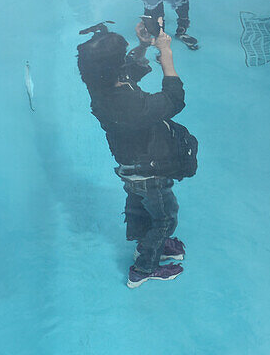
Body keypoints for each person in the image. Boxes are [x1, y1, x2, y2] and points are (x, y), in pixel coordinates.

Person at [76, 20, 194, 288]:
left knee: (140, 206)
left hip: (130, 165)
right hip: (149, 169)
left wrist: (142, 46)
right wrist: (166, 55)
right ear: (114, 68)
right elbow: (175, 98)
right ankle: (144, 268)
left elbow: (129, 71)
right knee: (165, 217)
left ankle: (147, 241)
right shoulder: (128, 106)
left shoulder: (99, 83)